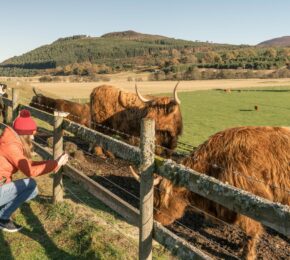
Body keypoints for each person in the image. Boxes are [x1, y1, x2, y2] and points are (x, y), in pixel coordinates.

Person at [0, 109, 68, 232]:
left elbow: (28, 164)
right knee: (30, 184)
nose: (32, 137)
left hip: (2, 183)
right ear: (23, 134)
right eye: (31, 134)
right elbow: (30, 171)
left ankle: (2, 213)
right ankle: (2, 217)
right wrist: (56, 163)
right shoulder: (11, 145)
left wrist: (53, 163)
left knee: (33, 190)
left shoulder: (12, 140)